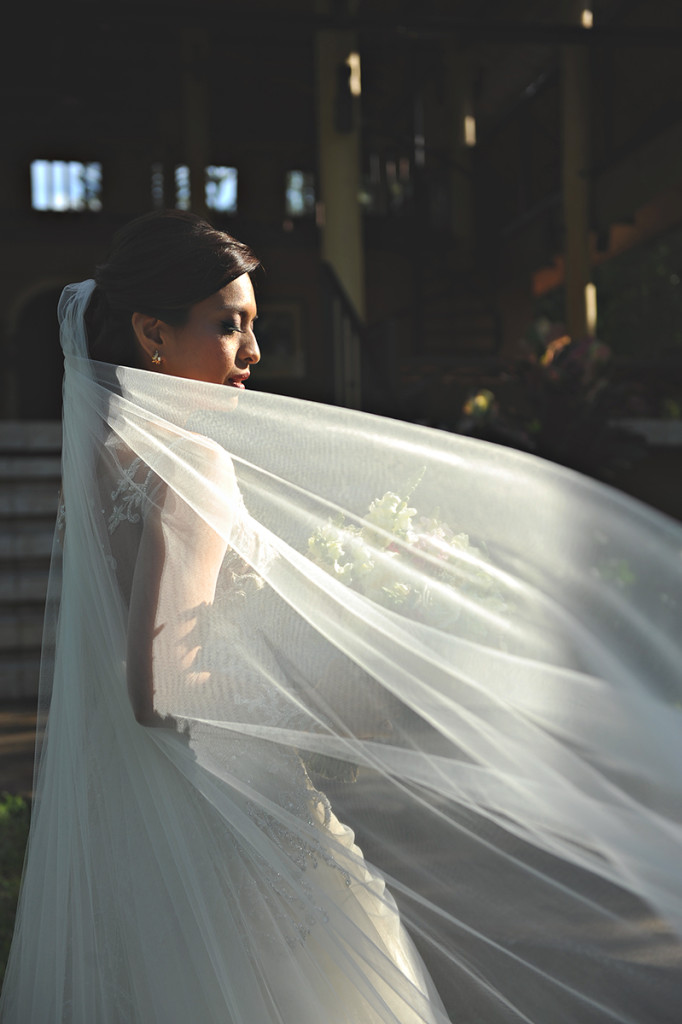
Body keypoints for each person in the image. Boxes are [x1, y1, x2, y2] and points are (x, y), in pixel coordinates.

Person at [2, 210, 682, 1023]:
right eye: (230, 327)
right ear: (153, 332)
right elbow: (161, 685)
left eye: (253, 327)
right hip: (237, 809)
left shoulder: (106, 463)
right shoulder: (198, 466)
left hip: (146, 819)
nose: (254, 353)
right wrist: (330, 698)